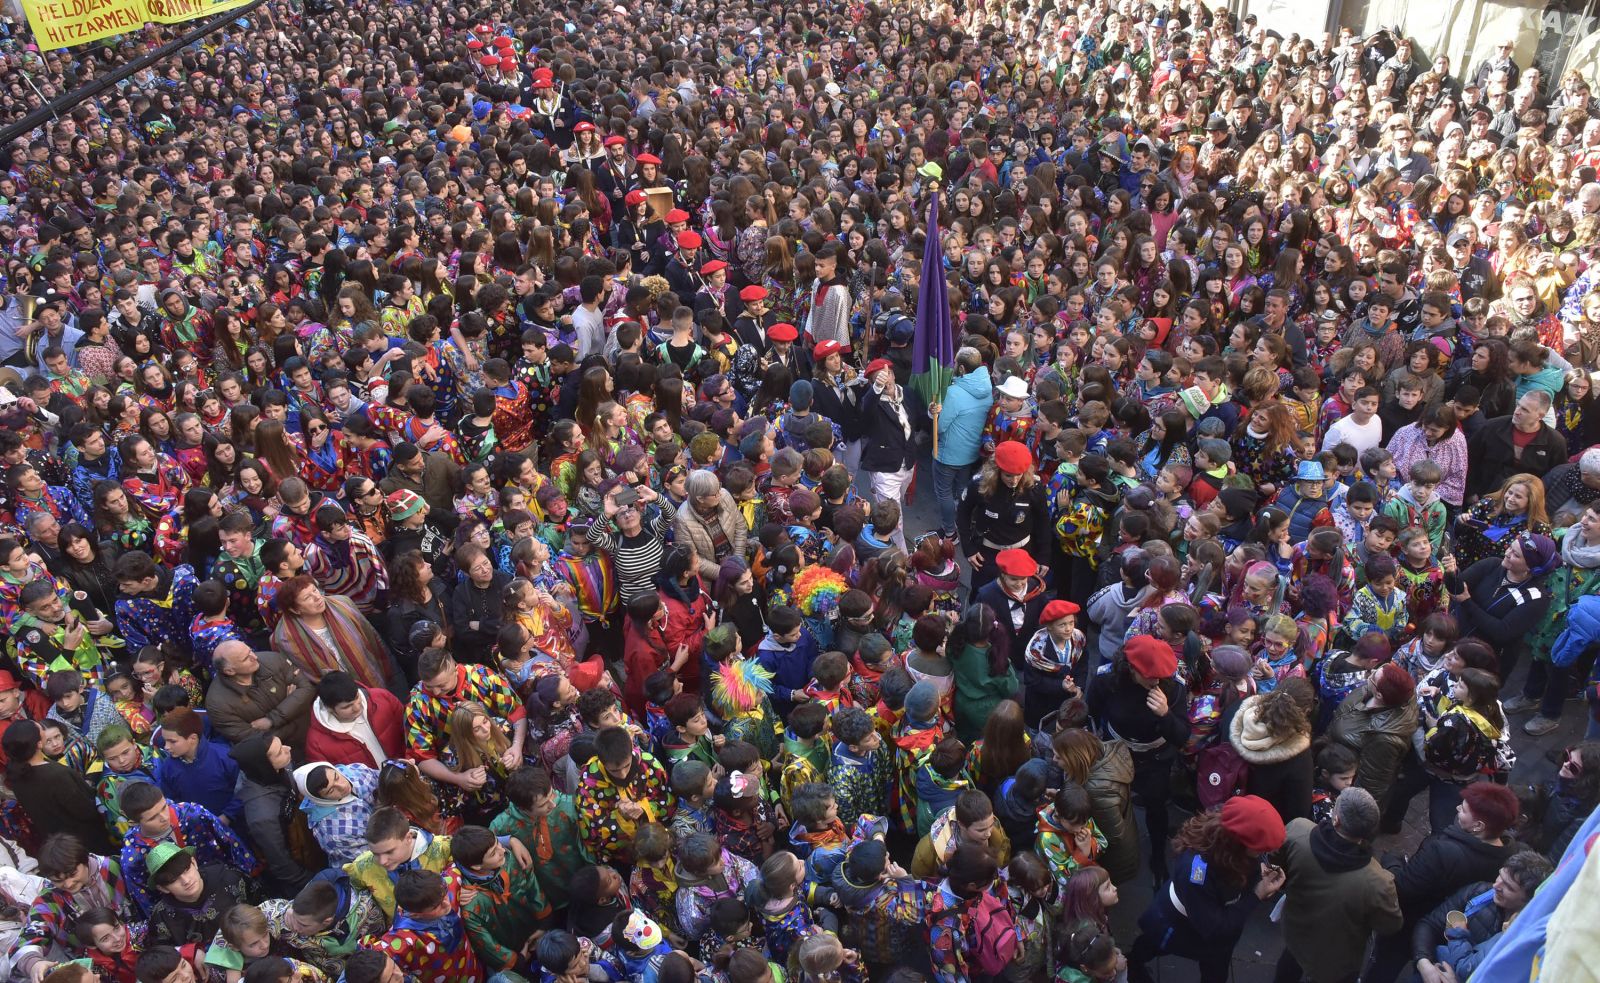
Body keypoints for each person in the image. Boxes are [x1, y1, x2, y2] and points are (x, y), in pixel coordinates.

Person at [1126, 796, 1285, 983]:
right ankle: (1131, 965)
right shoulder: (1197, 873)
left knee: (1215, 973)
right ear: (1238, 844)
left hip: (1216, 923)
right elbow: (1216, 928)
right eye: (1260, 849)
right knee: (1152, 945)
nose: (1263, 854)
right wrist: (1256, 894)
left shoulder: (1227, 828)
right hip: (1180, 923)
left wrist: (1260, 870)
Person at [1273, 787, 1403, 983]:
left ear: (1336, 820)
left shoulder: (1298, 830)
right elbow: (1390, 924)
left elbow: (1277, 866)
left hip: (1296, 929)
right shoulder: (1379, 882)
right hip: (1336, 955)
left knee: (1289, 965)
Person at [205, 642, 314, 747]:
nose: (255, 657)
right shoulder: (217, 704)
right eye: (246, 658)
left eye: (250, 651)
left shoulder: (272, 659)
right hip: (283, 750)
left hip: (313, 727)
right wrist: (292, 709)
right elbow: (253, 740)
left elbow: (307, 688)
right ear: (230, 671)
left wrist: (271, 720)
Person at [304, 671, 406, 768]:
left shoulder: (383, 698)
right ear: (329, 709)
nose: (357, 707)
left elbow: (410, 729)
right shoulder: (316, 744)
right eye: (347, 707)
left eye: (357, 697)